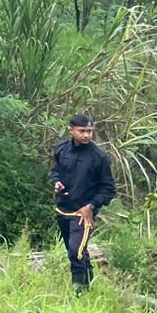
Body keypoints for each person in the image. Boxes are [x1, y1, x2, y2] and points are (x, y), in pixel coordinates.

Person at [50, 114, 116, 293]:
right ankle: (89, 286)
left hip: (83, 213)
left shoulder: (99, 157)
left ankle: (78, 293)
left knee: (75, 251)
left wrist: (91, 206)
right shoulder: (61, 149)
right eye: (82, 131)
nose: (86, 135)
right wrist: (56, 183)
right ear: (71, 130)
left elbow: (109, 189)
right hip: (63, 209)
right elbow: (55, 170)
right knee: (77, 251)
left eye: (90, 131)